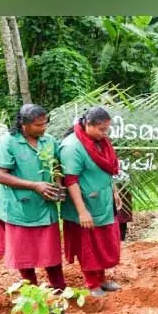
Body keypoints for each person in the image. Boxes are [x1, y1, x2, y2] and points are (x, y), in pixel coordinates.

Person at [0, 104, 66, 290]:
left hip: (45, 207)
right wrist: (34, 185)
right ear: (24, 125)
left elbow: (56, 166)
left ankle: (59, 288)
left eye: (45, 123)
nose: (43, 127)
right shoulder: (7, 143)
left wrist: (58, 185)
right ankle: (32, 290)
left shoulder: (49, 141)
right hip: (18, 208)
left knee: (51, 251)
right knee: (23, 254)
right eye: (38, 125)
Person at [59, 107, 122, 297]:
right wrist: (82, 211)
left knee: (103, 242)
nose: (105, 133)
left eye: (107, 129)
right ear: (88, 125)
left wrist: (114, 191)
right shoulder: (72, 146)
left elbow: (106, 170)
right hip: (84, 203)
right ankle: (92, 283)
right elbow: (70, 180)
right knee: (87, 246)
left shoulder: (101, 142)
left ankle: (102, 279)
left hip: (102, 201)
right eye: (101, 129)